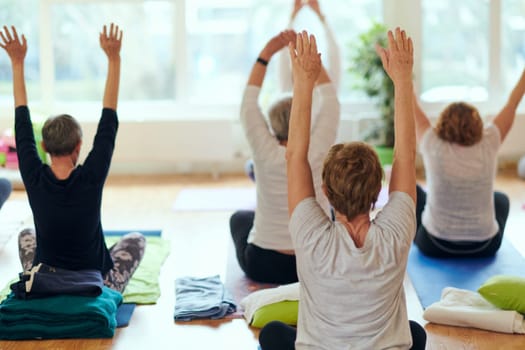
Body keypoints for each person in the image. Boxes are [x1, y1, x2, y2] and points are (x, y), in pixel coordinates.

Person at [259, 28, 426, 349]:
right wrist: (403, 80)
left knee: (273, 334)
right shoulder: (397, 232)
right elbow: (406, 153)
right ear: (379, 190)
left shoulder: (310, 235)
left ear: (324, 189)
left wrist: (302, 83)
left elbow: (295, 155)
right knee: (414, 333)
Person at [0, 24, 145, 293]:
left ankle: (42, 280)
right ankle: (105, 286)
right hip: (94, 279)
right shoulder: (91, 176)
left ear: (43, 146)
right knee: (136, 240)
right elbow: (109, 119)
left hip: (48, 276)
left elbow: (21, 119)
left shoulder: (33, 175)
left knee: (25, 236)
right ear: (79, 146)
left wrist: (17, 63)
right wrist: (114, 59)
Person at [230, 30, 340, 284]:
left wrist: (266, 53)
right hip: (315, 263)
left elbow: (248, 102)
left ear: (271, 125)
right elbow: (331, 98)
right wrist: (311, 62)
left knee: (239, 218)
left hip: (264, 264)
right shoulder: (320, 146)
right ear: (307, 120)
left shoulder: (263, 149)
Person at [413, 68, 525, 258]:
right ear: (477, 125)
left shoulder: (432, 143)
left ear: (442, 124)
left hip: (433, 245)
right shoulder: (489, 141)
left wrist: (402, 76)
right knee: (501, 199)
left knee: (414, 191)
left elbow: (411, 104)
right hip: (486, 246)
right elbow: (512, 104)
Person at [279, 0, 341, 92]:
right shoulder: (288, 90)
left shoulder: (328, 91)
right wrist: (293, 16)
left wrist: (321, 16)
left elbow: (334, 54)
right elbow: (335, 54)